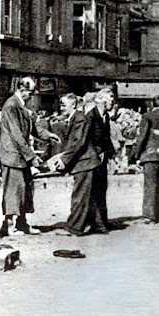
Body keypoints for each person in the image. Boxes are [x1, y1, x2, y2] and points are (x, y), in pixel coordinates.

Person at [0, 77, 60, 236]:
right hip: (12, 157)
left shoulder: (22, 106)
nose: (31, 96)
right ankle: (10, 226)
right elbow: (16, 135)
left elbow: (33, 129)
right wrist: (32, 156)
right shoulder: (11, 105)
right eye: (30, 93)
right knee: (13, 192)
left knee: (25, 190)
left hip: (21, 157)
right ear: (22, 90)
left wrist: (48, 135)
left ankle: (22, 224)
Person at [48, 93, 106, 236]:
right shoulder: (75, 118)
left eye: (63, 105)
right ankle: (99, 226)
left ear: (73, 105)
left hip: (85, 163)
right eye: (60, 104)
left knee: (79, 196)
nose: (61, 108)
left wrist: (64, 160)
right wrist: (61, 156)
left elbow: (77, 143)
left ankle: (74, 228)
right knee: (90, 196)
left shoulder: (79, 119)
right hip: (87, 162)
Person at [129, 95, 159, 224]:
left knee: (150, 185)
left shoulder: (147, 116)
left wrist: (134, 155)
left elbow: (142, 136)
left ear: (152, 104)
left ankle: (150, 216)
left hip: (150, 156)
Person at [86, 88, 116, 228]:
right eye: (111, 99)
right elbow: (87, 139)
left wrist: (110, 154)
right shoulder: (90, 116)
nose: (113, 102)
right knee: (94, 190)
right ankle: (95, 223)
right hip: (93, 159)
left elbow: (106, 137)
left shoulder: (106, 117)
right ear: (103, 101)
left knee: (102, 188)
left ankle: (102, 221)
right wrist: (97, 153)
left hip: (102, 159)